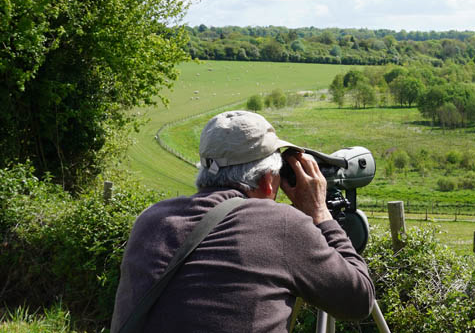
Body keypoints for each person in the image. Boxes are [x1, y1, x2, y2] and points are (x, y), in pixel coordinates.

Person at [111, 111, 375, 332]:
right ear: (266, 180)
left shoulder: (152, 219)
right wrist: (320, 213)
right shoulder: (281, 224)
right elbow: (358, 301)